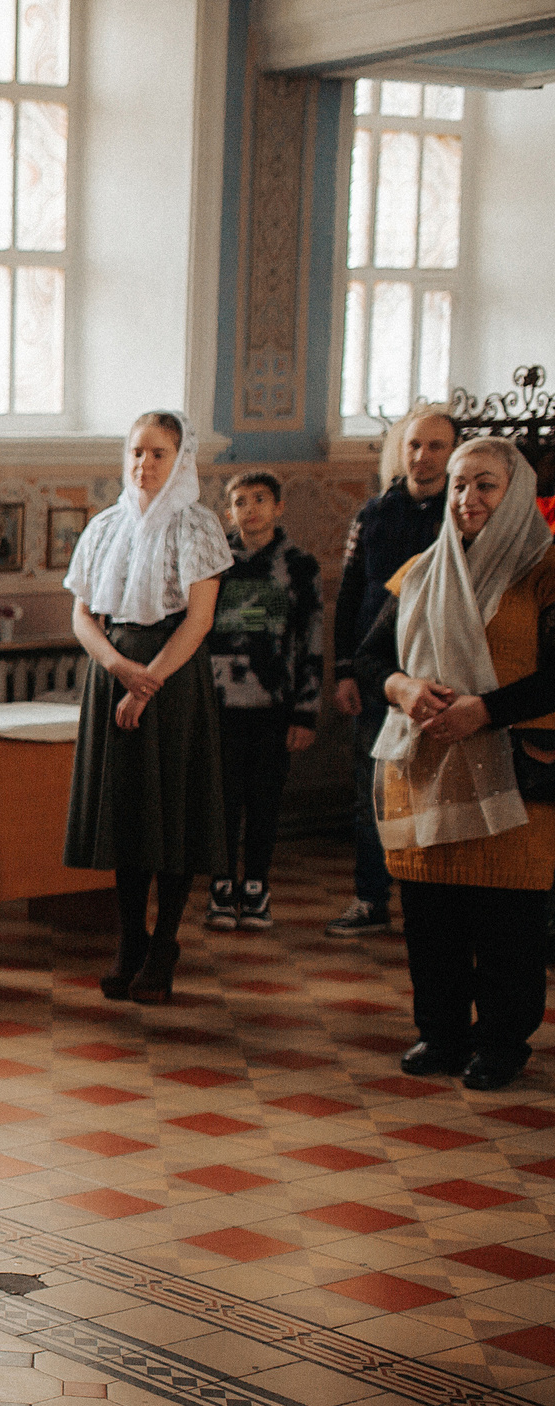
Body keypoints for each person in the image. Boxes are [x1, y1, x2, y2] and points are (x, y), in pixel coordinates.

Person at [353, 437, 555, 1091]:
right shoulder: (420, 571)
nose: (469, 500)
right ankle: (440, 1031)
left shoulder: (546, 572)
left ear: (516, 492)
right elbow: (371, 658)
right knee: (431, 916)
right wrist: (404, 689)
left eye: (486, 485)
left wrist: (485, 710)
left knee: (506, 921)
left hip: (514, 773)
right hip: (425, 769)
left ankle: (500, 1042)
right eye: (461, 485)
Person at [63, 410, 231, 1005]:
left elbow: (200, 617)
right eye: (137, 452)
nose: (144, 464)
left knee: (172, 814)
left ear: (180, 459)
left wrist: (148, 682)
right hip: (115, 668)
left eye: (159, 453)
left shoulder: (196, 524)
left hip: (173, 679)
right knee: (126, 815)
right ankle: (130, 939)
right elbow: (83, 614)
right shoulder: (106, 525)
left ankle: (165, 945)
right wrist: (117, 668)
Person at [329, 405, 456, 936]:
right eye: (413, 445)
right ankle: (370, 897)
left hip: (441, 673)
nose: (422, 457)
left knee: (441, 791)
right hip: (377, 671)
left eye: (435, 447)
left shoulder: (464, 512)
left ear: (453, 454)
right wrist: (344, 670)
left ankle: (439, 903)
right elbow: (350, 593)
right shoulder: (373, 515)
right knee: (374, 791)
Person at [204, 471, 323, 931]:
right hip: (220, 704)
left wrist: (306, 711)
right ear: (228, 511)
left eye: (259, 500)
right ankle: (221, 884)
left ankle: (256, 886)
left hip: (274, 703)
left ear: (278, 507)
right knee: (223, 800)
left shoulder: (298, 565)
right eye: (239, 501)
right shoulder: (213, 562)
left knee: (265, 801)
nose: (249, 509)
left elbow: (311, 639)